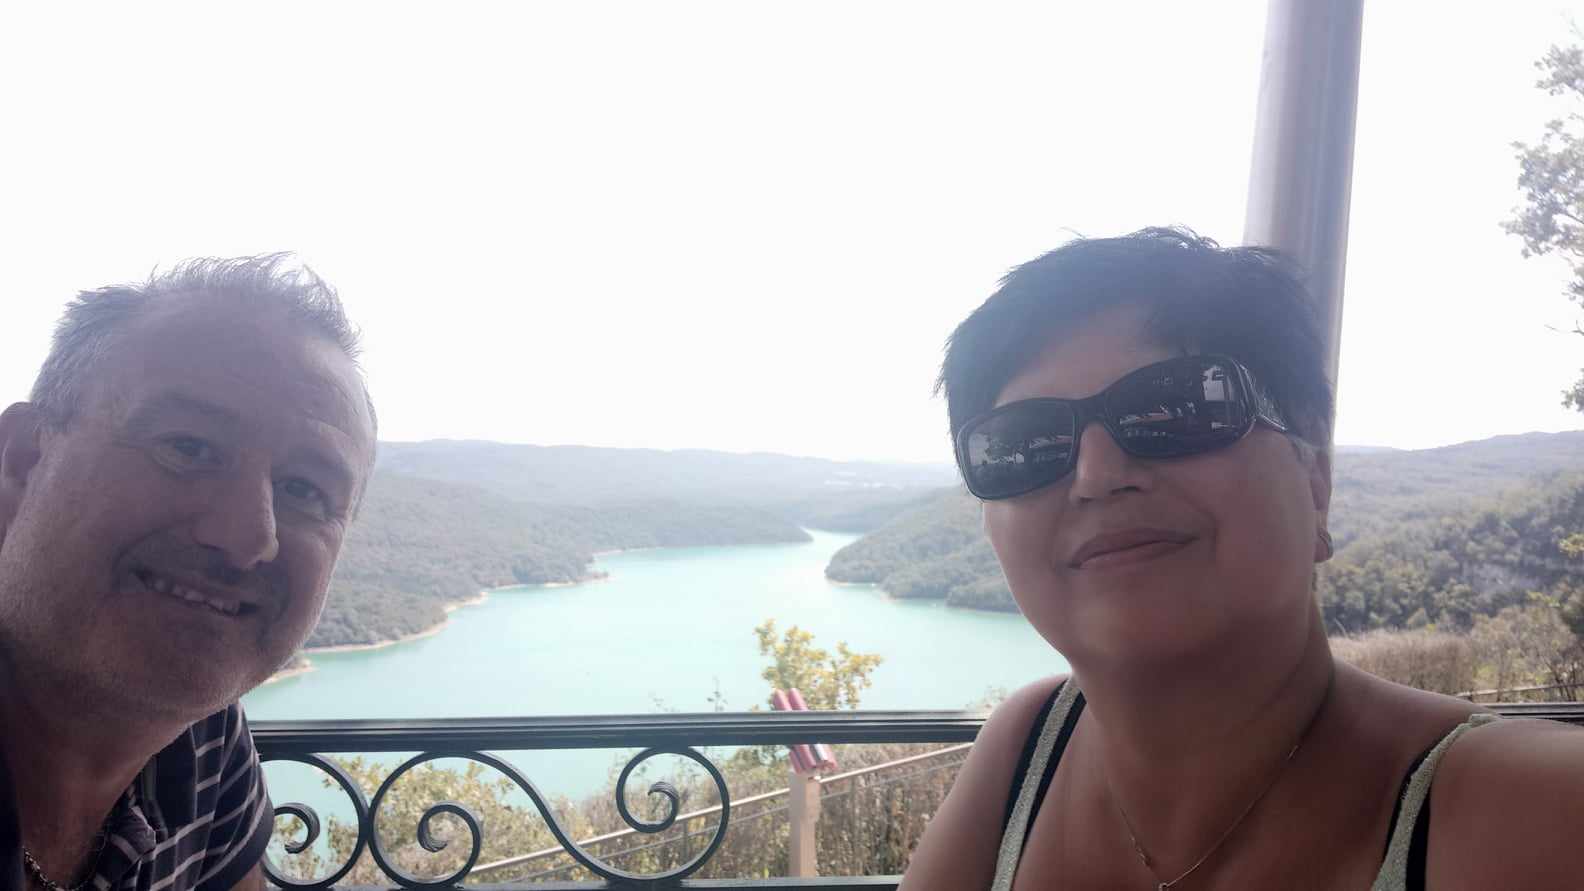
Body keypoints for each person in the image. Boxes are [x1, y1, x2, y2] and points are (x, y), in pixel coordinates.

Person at [900, 228, 1584, 890]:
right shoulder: (1025, 747)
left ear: (1314, 478)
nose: (1097, 475)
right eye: (1023, 444)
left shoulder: (1540, 811)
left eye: (1175, 408)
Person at [0, 256, 377, 891]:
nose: (247, 536)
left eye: (304, 490)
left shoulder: (198, 732)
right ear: (23, 462)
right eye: (188, 447)